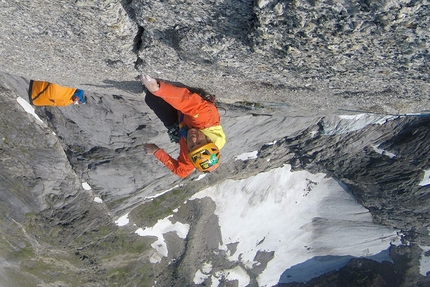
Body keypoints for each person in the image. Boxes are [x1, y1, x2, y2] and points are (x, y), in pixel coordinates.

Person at [140, 74, 226, 178]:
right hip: (189, 113)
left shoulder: (194, 154)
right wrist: (158, 89)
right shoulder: (206, 119)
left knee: (152, 99)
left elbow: (181, 172)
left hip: (181, 124)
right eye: (199, 142)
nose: (193, 139)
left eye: (192, 146)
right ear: (209, 139)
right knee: (155, 94)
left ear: (189, 151)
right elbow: (189, 103)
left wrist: (156, 152)